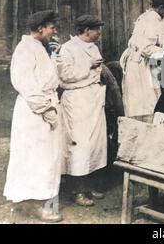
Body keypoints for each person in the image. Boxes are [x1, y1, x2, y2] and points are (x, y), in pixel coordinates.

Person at [3, 10, 63, 222]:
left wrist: (55, 58)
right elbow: (27, 85)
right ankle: (30, 203)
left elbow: (49, 76)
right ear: (40, 28)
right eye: (51, 27)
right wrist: (45, 110)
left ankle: (41, 199)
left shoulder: (41, 47)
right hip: (33, 111)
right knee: (33, 157)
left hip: (46, 107)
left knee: (47, 156)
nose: (54, 31)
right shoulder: (25, 49)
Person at [58, 15, 107, 207]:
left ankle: (90, 185)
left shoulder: (93, 47)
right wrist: (88, 65)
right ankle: (77, 190)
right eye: (97, 30)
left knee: (96, 145)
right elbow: (65, 75)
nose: (99, 33)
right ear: (87, 30)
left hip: (93, 99)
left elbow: (97, 73)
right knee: (80, 146)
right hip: (77, 100)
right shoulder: (67, 49)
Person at [120, 0, 164, 117]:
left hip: (143, 64)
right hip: (140, 66)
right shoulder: (151, 20)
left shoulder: (150, 17)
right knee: (144, 102)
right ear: (161, 7)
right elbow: (145, 48)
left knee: (147, 100)